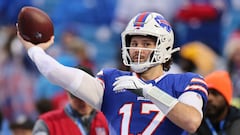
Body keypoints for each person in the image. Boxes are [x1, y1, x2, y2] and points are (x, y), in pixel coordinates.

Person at [17, 12, 208, 134]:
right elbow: (57, 73)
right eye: (134, 43)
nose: (137, 49)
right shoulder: (112, 80)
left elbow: (191, 121)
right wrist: (35, 50)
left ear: (165, 46)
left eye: (146, 44)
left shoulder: (187, 81)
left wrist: (148, 91)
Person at [32, 65, 109, 135]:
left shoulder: (108, 120)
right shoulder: (47, 122)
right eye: (76, 96)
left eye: (87, 96)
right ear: (66, 91)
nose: (83, 101)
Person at [190, 70, 240, 135]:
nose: (209, 98)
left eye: (215, 93)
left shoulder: (237, 122)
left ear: (226, 98)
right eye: (206, 93)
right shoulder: (194, 123)